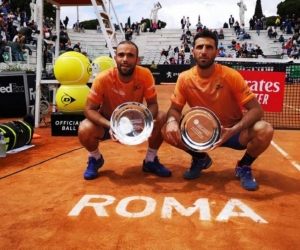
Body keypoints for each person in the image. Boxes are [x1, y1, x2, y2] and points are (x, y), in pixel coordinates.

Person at [161, 30, 274, 191]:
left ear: (216, 51)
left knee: (265, 129)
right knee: (166, 129)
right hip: (201, 134)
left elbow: (256, 110)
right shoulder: (185, 78)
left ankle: (244, 166)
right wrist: (172, 121)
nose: (204, 51)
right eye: (200, 47)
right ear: (193, 51)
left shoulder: (231, 75)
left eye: (209, 47)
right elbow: (175, 109)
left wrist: (232, 130)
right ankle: (200, 159)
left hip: (233, 132)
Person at [78, 41, 171, 180]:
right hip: (108, 125)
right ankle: (95, 158)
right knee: (84, 128)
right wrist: (112, 125)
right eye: (121, 55)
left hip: (135, 123)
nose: (125, 59)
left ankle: (150, 160)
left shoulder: (145, 74)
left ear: (137, 59)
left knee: (162, 116)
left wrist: (145, 122)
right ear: (115, 58)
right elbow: (89, 110)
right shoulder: (103, 78)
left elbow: (153, 104)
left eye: (130, 55)